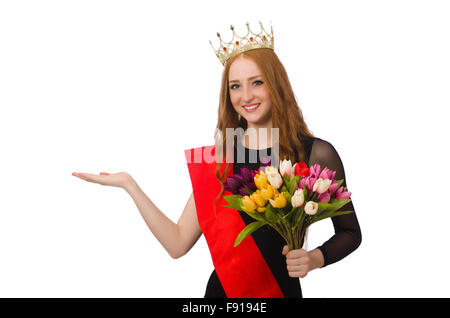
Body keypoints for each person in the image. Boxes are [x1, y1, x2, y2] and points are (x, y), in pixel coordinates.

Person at [72, 22, 361, 298]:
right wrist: (129, 184)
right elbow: (177, 243)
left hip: (280, 293)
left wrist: (315, 258)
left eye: (257, 82)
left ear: (277, 85)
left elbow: (350, 233)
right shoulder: (220, 158)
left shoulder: (315, 153)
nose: (246, 95)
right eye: (235, 86)